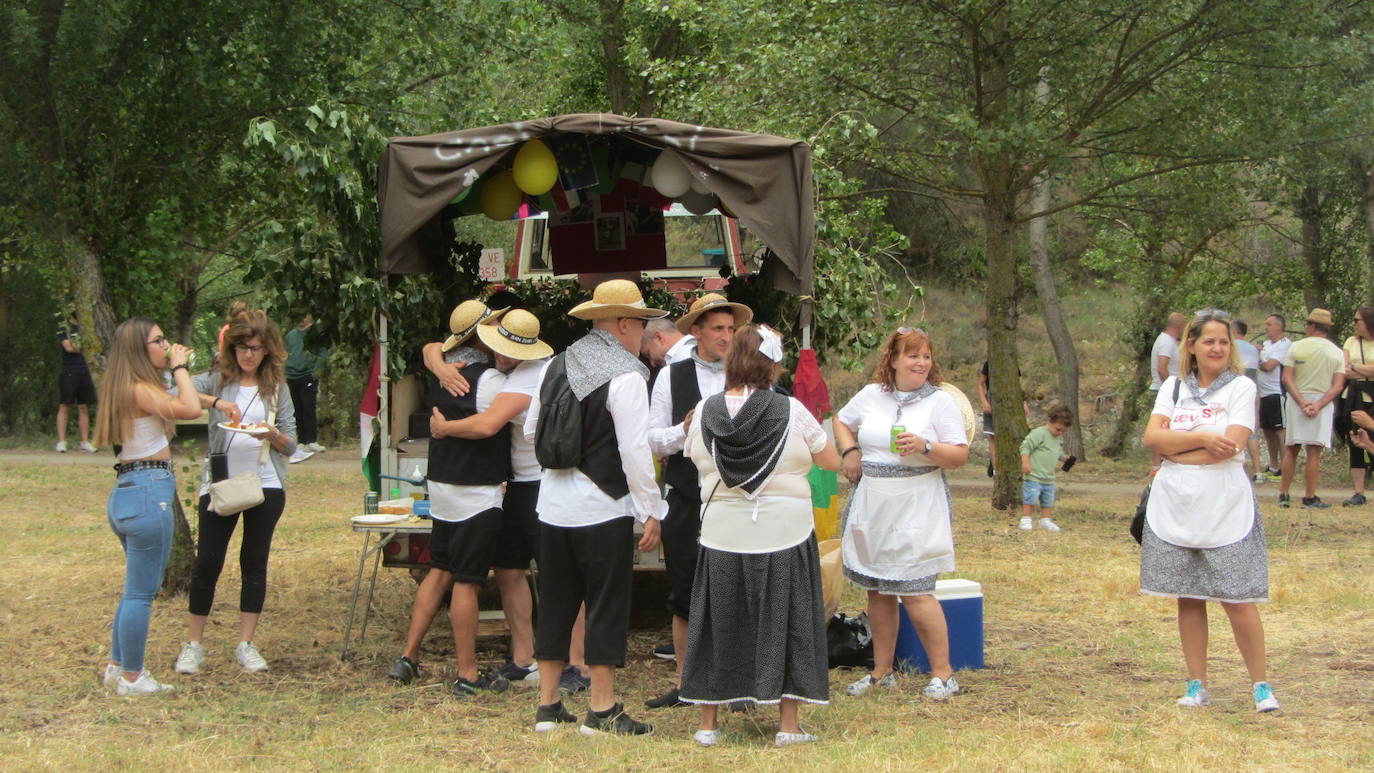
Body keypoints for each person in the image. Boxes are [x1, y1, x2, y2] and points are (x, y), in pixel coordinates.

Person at [678, 325, 841, 746]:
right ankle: (787, 726)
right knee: (791, 619)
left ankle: (707, 725)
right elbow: (829, 459)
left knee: (716, 621)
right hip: (784, 528)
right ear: (772, 364)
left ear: (732, 360)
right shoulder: (792, 411)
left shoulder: (705, 410)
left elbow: (693, 455)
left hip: (722, 531)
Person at [523, 279, 666, 736]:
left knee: (558, 602)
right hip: (603, 507)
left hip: (552, 504)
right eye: (641, 324)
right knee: (605, 604)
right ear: (623, 323)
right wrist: (651, 509)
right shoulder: (626, 375)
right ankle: (601, 710)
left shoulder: (556, 364)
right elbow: (635, 452)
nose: (644, 333)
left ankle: (548, 706)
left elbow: (531, 431)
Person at [392, 306, 555, 690]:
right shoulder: (494, 380)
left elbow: (432, 348)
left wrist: (437, 362)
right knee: (467, 581)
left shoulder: (442, 374)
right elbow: (489, 424)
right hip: (477, 491)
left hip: (442, 485)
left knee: (439, 570)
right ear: (480, 336)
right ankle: (466, 673)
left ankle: (408, 656)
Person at [1141, 310, 1279, 713]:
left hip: (1224, 502)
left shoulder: (1241, 388)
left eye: (1223, 341)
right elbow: (1152, 438)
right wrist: (1202, 436)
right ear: (1191, 346)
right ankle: (1196, 682)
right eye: (1208, 341)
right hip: (1177, 501)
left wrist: (1176, 445)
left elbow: (1234, 443)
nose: (1217, 348)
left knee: (1237, 598)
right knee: (1189, 596)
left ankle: (1260, 685)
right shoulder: (1172, 386)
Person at [833, 326, 970, 700]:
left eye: (926, 356)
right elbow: (841, 421)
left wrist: (926, 445)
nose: (921, 363)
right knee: (877, 588)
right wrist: (851, 452)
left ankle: (943, 674)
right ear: (893, 360)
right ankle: (881, 672)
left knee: (915, 589)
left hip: (916, 500)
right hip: (874, 499)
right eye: (913, 355)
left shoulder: (940, 402)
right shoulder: (871, 395)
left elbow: (959, 455)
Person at [93, 318, 215, 695]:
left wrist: (220, 401)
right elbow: (190, 410)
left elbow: (188, 400)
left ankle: (117, 666)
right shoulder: (141, 390)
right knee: (141, 594)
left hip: (128, 490)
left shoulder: (131, 387)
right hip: (149, 490)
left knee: (133, 590)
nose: (167, 345)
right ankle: (132, 676)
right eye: (159, 341)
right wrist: (180, 367)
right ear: (138, 350)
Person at [174, 310, 299, 675]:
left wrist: (271, 433)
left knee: (254, 562)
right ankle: (193, 644)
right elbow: (175, 392)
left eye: (256, 349)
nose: (249, 355)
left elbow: (291, 444)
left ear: (267, 351)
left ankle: (246, 643)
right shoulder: (217, 379)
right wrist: (215, 403)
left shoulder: (277, 387)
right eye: (243, 348)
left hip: (266, 483)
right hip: (221, 481)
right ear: (232, 349)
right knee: (208, 562)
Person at [645, 292, 752, 710]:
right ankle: (688, 682)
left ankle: (736, 682)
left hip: (736, 492)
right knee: (686, 587)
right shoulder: (671, 376)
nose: (726, 337)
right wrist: (684, 428)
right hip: (687, 494)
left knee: (738, 584)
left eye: (731, 329)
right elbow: (651, 439)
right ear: (697, 332)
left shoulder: (747, 374)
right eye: (718, 329)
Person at [1277, 309, 1345, 509]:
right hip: (1322, 401)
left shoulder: (1296, 347)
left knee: (1291, 448)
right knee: (1314, 450)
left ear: (1313, 326)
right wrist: (1318, 404)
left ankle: (1284, 493)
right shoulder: (1336, 352)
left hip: (1298, 398)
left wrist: (1301, 401)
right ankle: (1309, 496)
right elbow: (1338, 385)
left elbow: (1287, 378)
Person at [1018, 404, 1074, 532]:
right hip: (1034, 475)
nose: (1060, 433)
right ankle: (1026, 519)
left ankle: (1045, 520)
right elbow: (1025, 447)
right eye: (1058, 429)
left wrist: (1065, 458)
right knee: (1030, 497)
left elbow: (1056, 451)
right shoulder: (1039, 433)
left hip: (1048, 477)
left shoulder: (1058, 438)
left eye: (1064, 431)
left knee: (1048, 499)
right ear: (1050, 421)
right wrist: (1025, 462)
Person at [1340, 307, 1374, 507]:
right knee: (1355, 440)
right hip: (1352, 397)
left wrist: (1355, 368)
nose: (1354, 323)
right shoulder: (1350, 342)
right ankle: (1358, 492)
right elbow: (1344, 370)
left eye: (1357, 320)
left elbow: (1351, 368)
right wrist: (1362, 370)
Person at [285, 313, 327, 463]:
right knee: (296, 408)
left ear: (310, 316)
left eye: (305, 315)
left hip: (308, 375)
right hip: (291, 375)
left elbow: (323, 353)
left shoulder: (315, 334)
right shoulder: (290, 335)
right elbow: (285, 353)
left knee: (309, 406)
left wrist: (316, 370)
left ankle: (312, 440)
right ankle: (301, 441)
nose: (302, 318)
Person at [977, 361, 1027, 477]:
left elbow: (1017, 385)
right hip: (992, 399)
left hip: (1010, 400)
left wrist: (1023, 402)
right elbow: (980, 383)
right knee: (993, 437)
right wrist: (984, 402)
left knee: (1013, 435)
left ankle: (1013, 468)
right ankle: (996, 471)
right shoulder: (990, 363)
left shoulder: (1011, 361)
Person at [1149, 313, 1187, 467]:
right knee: (1162, 428)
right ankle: (1157, 464)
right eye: (1184, 326)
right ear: (1179, 327)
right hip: (1164, 389)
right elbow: (1161, 367)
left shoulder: (1167, 341)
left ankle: (1165, 461)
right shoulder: (1167, 343)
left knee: (1168, 428)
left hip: (1167, 388)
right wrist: (1170, 389)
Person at [56, 315, 98, 453]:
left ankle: (84, 442)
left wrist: (84, 346)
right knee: (64, 405)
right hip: (69, 371)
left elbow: (96, 345)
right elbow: (68, 347)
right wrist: (85, 346)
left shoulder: (87, 327)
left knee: (84, 407)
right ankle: (61, 442)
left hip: (85, 370)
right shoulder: (65, 326)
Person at [1257, 314, 1291, 480]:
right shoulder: (1265, 345)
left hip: (1277, 393)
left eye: (1269, 324)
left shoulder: (1284, 345)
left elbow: (1269, 366)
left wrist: (1256, 359)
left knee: (1280, 432)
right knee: (1268, 432)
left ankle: (1287, 467)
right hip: (1264, 394)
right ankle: (1274, 467)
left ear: (1279, 326)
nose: (1266, 327)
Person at [1231, 320, 1265, 483]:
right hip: (1252, 392)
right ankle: (1258, 471)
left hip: (1234, 392)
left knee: (1233, 428)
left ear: (1233, 331)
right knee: (1252, 431)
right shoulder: (1253, 349)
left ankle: (1237, 468)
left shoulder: (1230, 347)